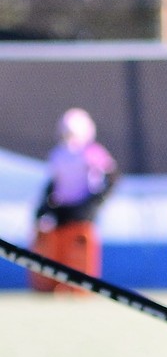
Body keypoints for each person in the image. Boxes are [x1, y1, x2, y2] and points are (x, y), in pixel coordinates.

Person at [32, 107, 118, 288]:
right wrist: (44, 207)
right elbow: (54, 183)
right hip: (62, 209)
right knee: (57, 247)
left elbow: (112, 177)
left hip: (82, 210)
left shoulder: (92, 152)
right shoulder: (57, 154)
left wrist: (95, 202)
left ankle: (79, 286)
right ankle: (53, 283)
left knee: (79, 250)